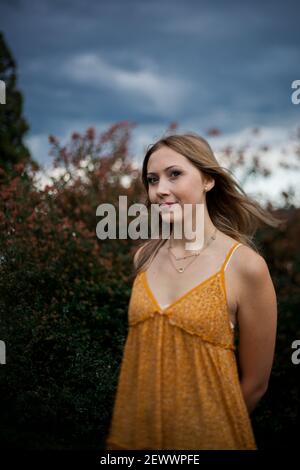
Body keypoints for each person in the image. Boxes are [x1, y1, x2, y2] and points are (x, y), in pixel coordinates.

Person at [105, 132, 282, 450]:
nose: (161, 190)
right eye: (152, 179)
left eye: (175, 174)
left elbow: (255, 385)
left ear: (208, 180)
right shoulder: (144, 257)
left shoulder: (245, 267)